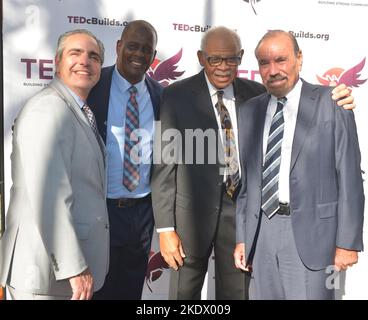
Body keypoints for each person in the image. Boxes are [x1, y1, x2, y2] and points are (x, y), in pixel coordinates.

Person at [151, 26, 355, 300]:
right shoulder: (176, 95)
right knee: (182, 295)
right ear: (201, 58)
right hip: (191, 219)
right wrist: (166, 229)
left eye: (232, 59)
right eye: (215, 59)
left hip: (241, 217)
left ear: (241, 57)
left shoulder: (257, 94)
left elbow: (347, 173)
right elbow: (165, 166)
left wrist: (340, 95)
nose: (224, 67)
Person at [234, 30, 364, 300]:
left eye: (281, 60)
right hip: (263, 233)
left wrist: (347, 243)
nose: (272, 70)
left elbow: (350, 178)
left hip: (314, 235)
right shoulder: (249, 111)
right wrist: (243, 236)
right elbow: (248, 184)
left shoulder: (333, 103)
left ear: (299, 59)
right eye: (264, 63)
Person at [0, 29, 108, 300]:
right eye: (75, 53)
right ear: (58, 63)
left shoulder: (77, 111)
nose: (85, 61)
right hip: (45, 273)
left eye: (93, 56)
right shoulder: (47, 109)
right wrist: (74, 266)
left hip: (58, 276)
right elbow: (50, 193)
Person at [87, 20, 162, 300]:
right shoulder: (92, 86)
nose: (139, 54)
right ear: (119, 47)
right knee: (95, 292)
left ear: (154, 57)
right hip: (100, 210)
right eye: (132, 46)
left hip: (142, 215)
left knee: (131, 293)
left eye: (147, 49)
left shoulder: (161, 96)